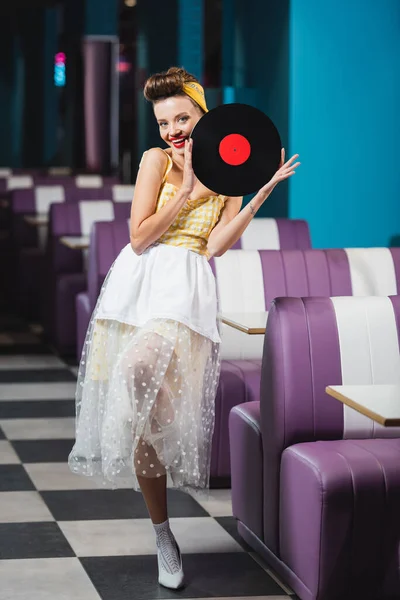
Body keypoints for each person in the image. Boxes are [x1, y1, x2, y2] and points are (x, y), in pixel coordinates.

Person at [68, 66, 300, 590]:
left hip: (187, 289)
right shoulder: (155, 160)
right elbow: (139, 238)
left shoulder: (231, 171)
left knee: (152, 398)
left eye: (182, 118)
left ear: (203, 115)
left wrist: (259, 192)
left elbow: (216, 247)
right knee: (143, 405)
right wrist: (188, 189)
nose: (172, 129)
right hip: (139, 284)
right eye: (163, 121)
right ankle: (163, 534)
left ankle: (159, 493)